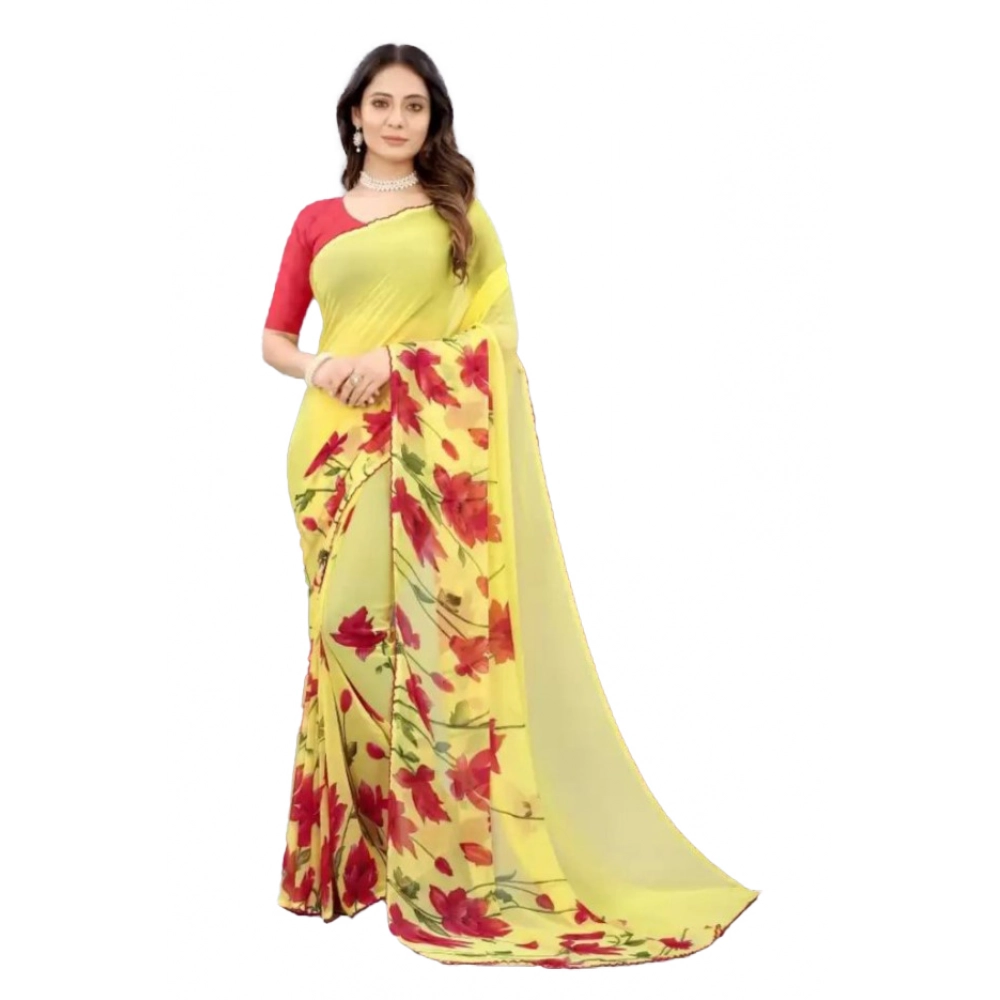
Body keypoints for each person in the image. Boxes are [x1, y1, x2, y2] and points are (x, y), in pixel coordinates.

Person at [262, 42, 760, 970]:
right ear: (355, 114)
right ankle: (372, 856)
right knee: (341, 638)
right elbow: (273, 337)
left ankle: (436, 858)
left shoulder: (458, 215)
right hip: (330, 449)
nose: (397, 119)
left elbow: (498, 332)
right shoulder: (315, 220)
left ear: (432, 120)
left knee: (421, 643)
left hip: (420, 443)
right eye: (382, 103)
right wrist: (321, 365)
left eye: (414, 105)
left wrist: (398, 363)